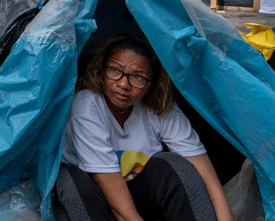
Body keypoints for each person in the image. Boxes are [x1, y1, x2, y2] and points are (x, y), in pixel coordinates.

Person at [54, 35, 235, 221]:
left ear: (151, 83)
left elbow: (204, 174)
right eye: (115, 70)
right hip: (95, 196)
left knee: (173, 164)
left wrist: (225, 216)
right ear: (101, 71)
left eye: (137, 77)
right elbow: (121, 209)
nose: (124, 84)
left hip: (137, 192)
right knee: (71, 182)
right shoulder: (87, 104)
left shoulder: (159, 107)